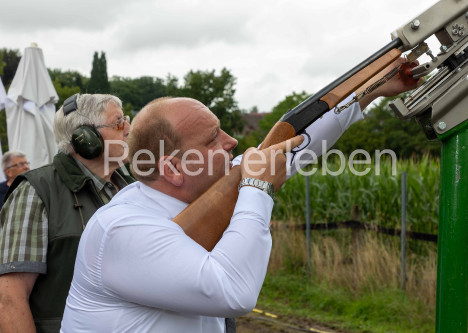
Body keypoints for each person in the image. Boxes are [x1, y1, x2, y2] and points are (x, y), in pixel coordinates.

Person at [60, 59, 419, 332]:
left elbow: (293, 149)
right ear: (172, 169)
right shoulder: (122, 228)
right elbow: (233, 291)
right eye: (213, 138)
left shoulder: (201, 193)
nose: (232, 142)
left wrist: (372, 88)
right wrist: (258, 188)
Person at [0, 94, 136, 333]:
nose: (128, 129)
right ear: (86, 139)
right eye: (118, 122)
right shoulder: (36, 190)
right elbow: (9, 298)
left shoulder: (131, 189)